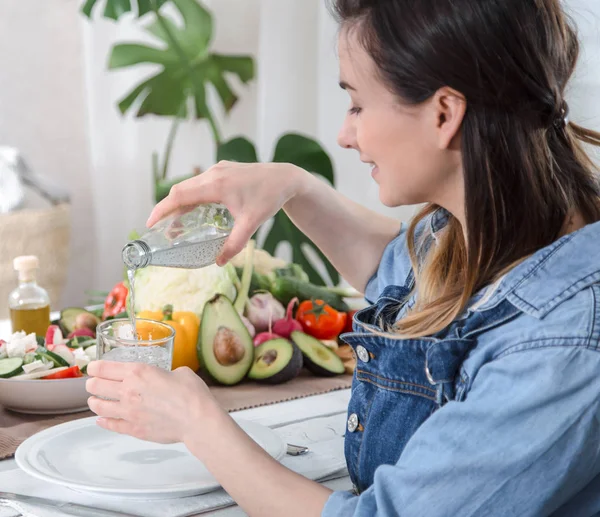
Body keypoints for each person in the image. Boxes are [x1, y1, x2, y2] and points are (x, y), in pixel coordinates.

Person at [86, 0, 600, 515]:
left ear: (445, 113)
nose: (344, 135)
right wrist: (294, 186)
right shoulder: (496, 226)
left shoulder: (562, 342)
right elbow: (400, 275)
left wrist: (197, 423)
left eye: (356, 105)